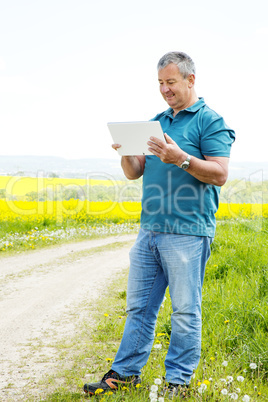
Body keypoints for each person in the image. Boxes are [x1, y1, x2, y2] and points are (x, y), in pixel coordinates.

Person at [84, 51, 235, 398]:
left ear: (190, 80)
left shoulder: (210, 121)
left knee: (184, 310)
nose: (165, 90)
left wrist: (180, 158)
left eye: (170, 82)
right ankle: (124, 373)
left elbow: (221, 174)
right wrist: (126, 152)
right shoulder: (156, 122)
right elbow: (135, 172)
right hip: (149, 231)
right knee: (139, 307)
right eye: (160, 84)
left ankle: (178, 381)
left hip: (188, 233)